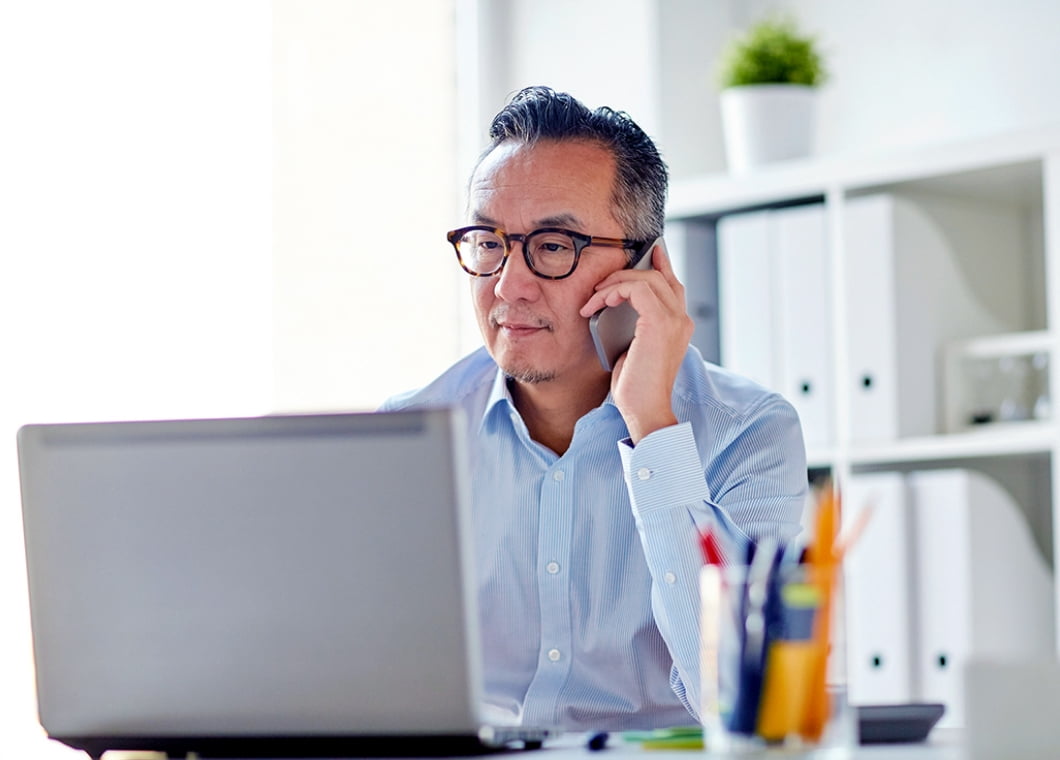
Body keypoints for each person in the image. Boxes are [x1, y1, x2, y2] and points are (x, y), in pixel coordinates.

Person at [382, 86, 806, 731]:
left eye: (554, 246)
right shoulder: (406, 436)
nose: (508, 284)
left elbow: (738, 703)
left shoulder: (750, 432)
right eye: (488, 243)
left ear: (644, 268)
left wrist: (653, 427)